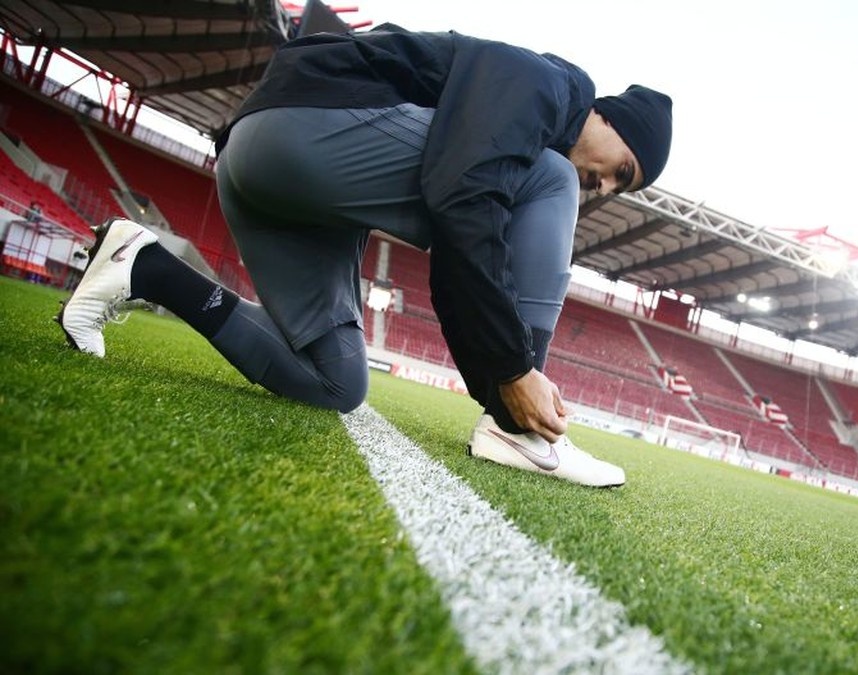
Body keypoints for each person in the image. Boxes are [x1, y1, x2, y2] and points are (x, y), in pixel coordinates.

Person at [57, 24, 673, 488]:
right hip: (301, 129)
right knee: (551, 180)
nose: (609, 187)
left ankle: (145, 266)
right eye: (622, 169)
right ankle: (519, 431)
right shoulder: (548, 83)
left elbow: (467, 209)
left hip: (269, 173)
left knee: (336, 382)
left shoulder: (532, 112)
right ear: (603, 116)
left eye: (625, 187)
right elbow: (465, 199)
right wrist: (512, 372)